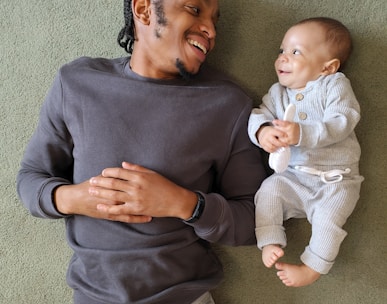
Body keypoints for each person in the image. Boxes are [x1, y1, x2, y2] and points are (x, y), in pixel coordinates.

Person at [16, 0, 266, 303]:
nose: (211, 31)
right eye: (194, 9)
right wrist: (76, 199)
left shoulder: (229, 105)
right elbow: (30, 178)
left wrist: (185, 204)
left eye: (216, 21)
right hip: (91, 296)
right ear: (144, 9)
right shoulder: (77, 84)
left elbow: (257, 221)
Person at [248, 17, 364, 287]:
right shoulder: (278, 94)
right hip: (294, 178)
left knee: (328, 222)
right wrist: (263, 131)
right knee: (268, 191)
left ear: (328, 67)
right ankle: (270, 240)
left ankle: (312, 267)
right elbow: (258, 114)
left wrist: (302, 133)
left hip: (336, 181)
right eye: (282, 51)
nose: (283, 58)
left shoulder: (333, 85)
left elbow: (343, 120)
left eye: (295, 52)